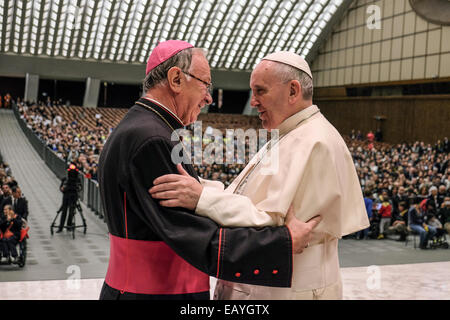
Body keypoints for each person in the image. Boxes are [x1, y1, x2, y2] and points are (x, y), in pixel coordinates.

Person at [97, 40, 321, 300]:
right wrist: (283, 243)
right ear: (176, 79)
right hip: (155, 294)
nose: (209, 97)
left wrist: (203, 194)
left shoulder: (143, 126)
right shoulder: (153, 138)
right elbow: (194, 236)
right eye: (205, 84)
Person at [150, 51, 369, 300]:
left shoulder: (316, 141)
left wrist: (202, 198)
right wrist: (197, 186)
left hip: (290, 290)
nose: (253, 102)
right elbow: (244, 195)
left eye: (260, 91)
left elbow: (275, 228)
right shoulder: (287, 133)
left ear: (293, 91)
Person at [56, 164, 81, 233]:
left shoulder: (77, 179)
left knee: (71, 211)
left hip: (73, 196)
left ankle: (69, 226)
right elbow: (61, 188)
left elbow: (80, 188)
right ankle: (61, 227)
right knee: (64, 211)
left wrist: (77, 188)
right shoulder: (65, 179)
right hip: (66, 196)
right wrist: (63, 189)